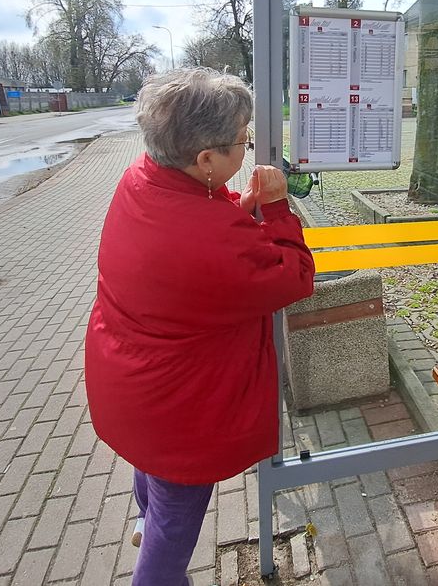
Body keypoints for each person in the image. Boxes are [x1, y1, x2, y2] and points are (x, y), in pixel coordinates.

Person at [84, 68, 316, 585]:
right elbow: (295, 277)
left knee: (152, 478)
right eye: (242, 141)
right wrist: (276, 208)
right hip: (180, 410)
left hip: (134, 389)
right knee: (177, 519)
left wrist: (240, 207)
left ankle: (144, 524)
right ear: (206, 158)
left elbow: (199, 219)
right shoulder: (208, 240)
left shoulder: (141, 179)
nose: (248, 151)